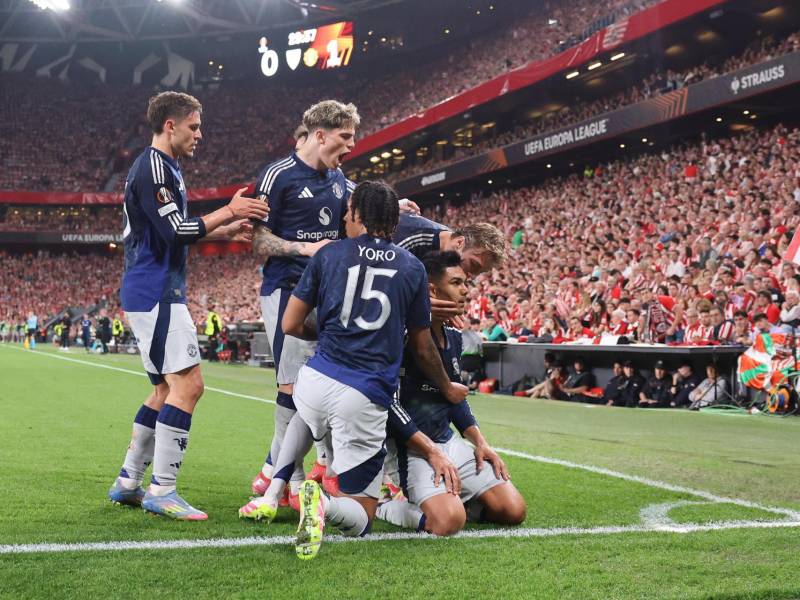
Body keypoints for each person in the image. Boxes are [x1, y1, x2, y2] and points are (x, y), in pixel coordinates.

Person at [279, 181, 468, 560]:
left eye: (348, 213)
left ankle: (299, 471)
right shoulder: (411, 266)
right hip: (361, 394)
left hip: (313, 384)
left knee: (326, 433)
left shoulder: (329, 254)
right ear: (394, 221)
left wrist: (333, 328)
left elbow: (290, 324)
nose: (345, 219)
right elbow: (421, 343)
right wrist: (446, 384)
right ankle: (324, 503)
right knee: (361, 518)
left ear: (359, 216)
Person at [107, 91, 267, 520]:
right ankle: (162, 489)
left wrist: (225, 231)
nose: (201, 134)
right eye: (194, 126)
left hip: (150, 288)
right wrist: (227, 210)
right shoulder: (156, 168)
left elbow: (167, 230)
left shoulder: (164, 166)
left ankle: (128, 481)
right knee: (189, 386)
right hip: (156, 290)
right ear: (171, 125)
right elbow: (177, 230)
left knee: (164, 390)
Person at [248, 105, 361, 497]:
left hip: (327, 293)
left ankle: (288, 471)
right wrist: (305, 247)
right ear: (320, 134)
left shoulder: (339, 178)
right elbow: (258, 240)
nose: (351, 145)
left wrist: (395, 207)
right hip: (287, 290)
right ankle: (290, 479)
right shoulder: (278, 175)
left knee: (326, 383)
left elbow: (357, 210)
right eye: (345, 137)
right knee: (292, 388)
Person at [378, 251, 525, 535]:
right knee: (448, 522)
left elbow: (455, 400)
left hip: (448, 443)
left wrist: (481, 442)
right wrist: (431, 452)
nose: (466, 290)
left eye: (465, 282)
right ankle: (384, 503)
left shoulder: (455, 339)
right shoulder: (401, 338)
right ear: (432, 290)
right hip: (412, 450)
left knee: (512, 510)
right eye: (456, 282)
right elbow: (390, 406)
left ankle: (451, 499)